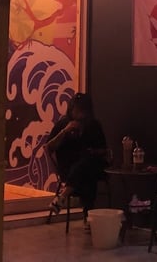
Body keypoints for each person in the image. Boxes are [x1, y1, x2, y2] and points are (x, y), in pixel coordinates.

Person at [46, 92, 109, 221]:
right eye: (76, 109)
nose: (79, 113)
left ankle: (62, 196)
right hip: (68, 168)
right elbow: (49, 147)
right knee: (87, 175)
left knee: (87, 165)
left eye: (82, 110)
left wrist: (93, 151)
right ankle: (88, 218)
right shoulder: (63, 124)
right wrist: (64, 131)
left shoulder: (93, 125)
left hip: (88, 164)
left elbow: (103, 149)